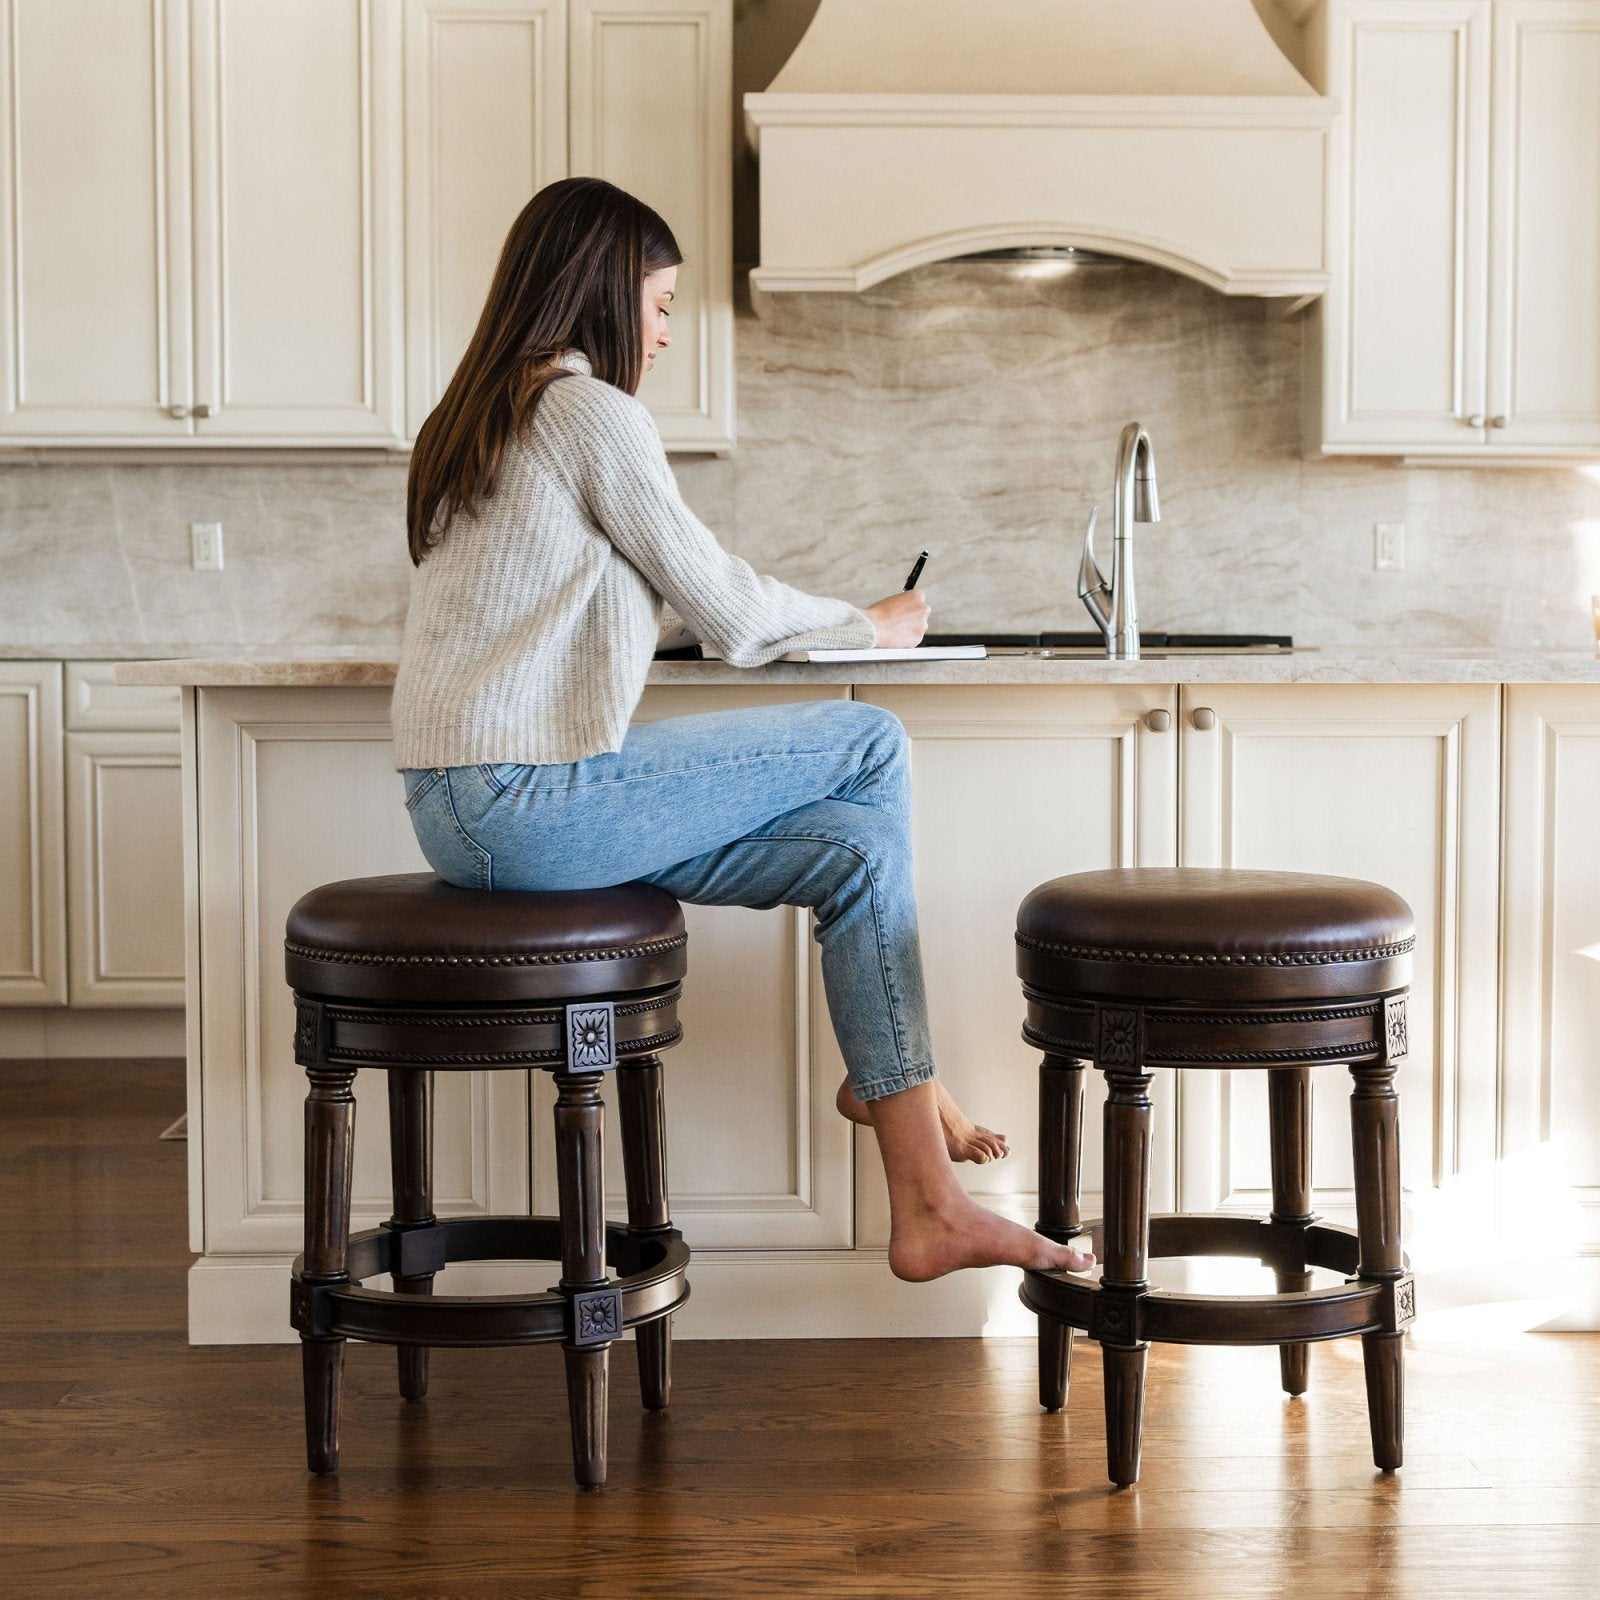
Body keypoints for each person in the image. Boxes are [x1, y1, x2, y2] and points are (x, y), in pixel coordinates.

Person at [392, 177, 1092, 1283]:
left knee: (856, 855)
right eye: (661, 303)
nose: (666, 332)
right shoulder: (586, 410)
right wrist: (872, 624)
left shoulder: (481, 411)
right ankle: (899, 1077)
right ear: (604, 292)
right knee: (867, 746)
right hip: (523, 803)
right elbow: (723, 604)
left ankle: (925, 1194)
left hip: (474, 810)